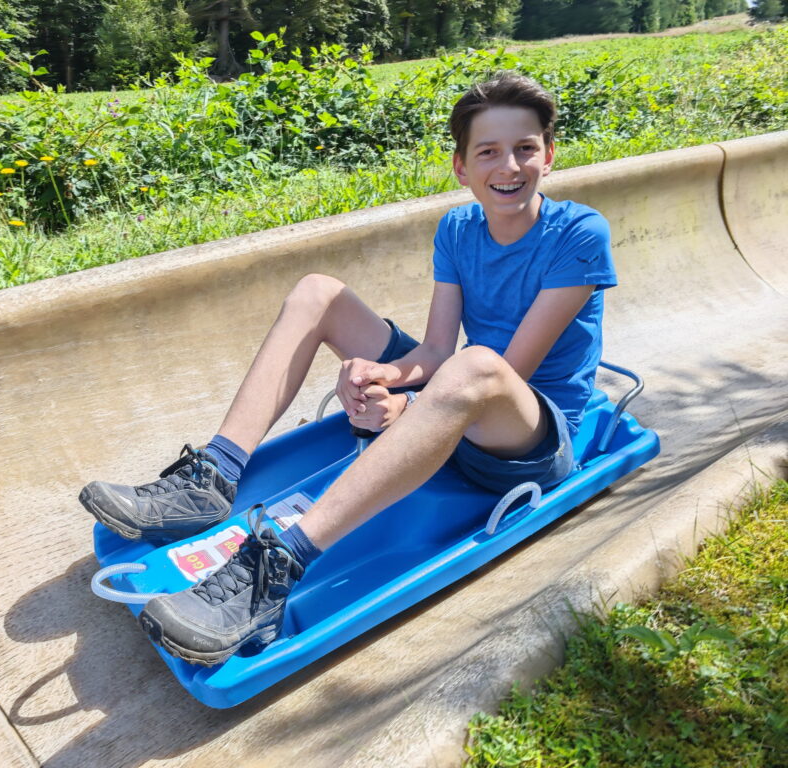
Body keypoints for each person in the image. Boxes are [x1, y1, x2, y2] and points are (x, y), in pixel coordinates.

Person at [79, 72, 618, 666]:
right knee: (319, 292)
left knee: (479, 366)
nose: (509, 166)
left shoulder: (580, 234)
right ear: (461, 167)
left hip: (530, 435)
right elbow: (436, 354)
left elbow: (508, 370)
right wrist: (382, 379)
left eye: (525, 148)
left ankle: (278, 565)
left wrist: (410, 408)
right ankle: (212, 477)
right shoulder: (458, 229)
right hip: (462, 388)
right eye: (488, 151)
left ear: (549, 154)